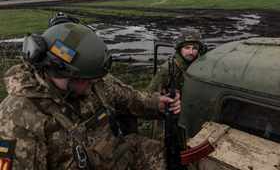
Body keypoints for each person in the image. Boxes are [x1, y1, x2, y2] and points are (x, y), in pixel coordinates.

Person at [0, 14, 181, 170]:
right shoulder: (17, 119)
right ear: (61, 73)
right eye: (88, 78)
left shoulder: (94, 81)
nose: (95, 81)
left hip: (116, 155)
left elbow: (128, 99)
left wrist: (156, 104)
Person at [148, 28, 206, 95]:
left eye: (194, 48)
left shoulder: (201, 64)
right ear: (180, 48)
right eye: (187, 48)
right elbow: (151, 93)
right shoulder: (167, 69)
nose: (191, 52)